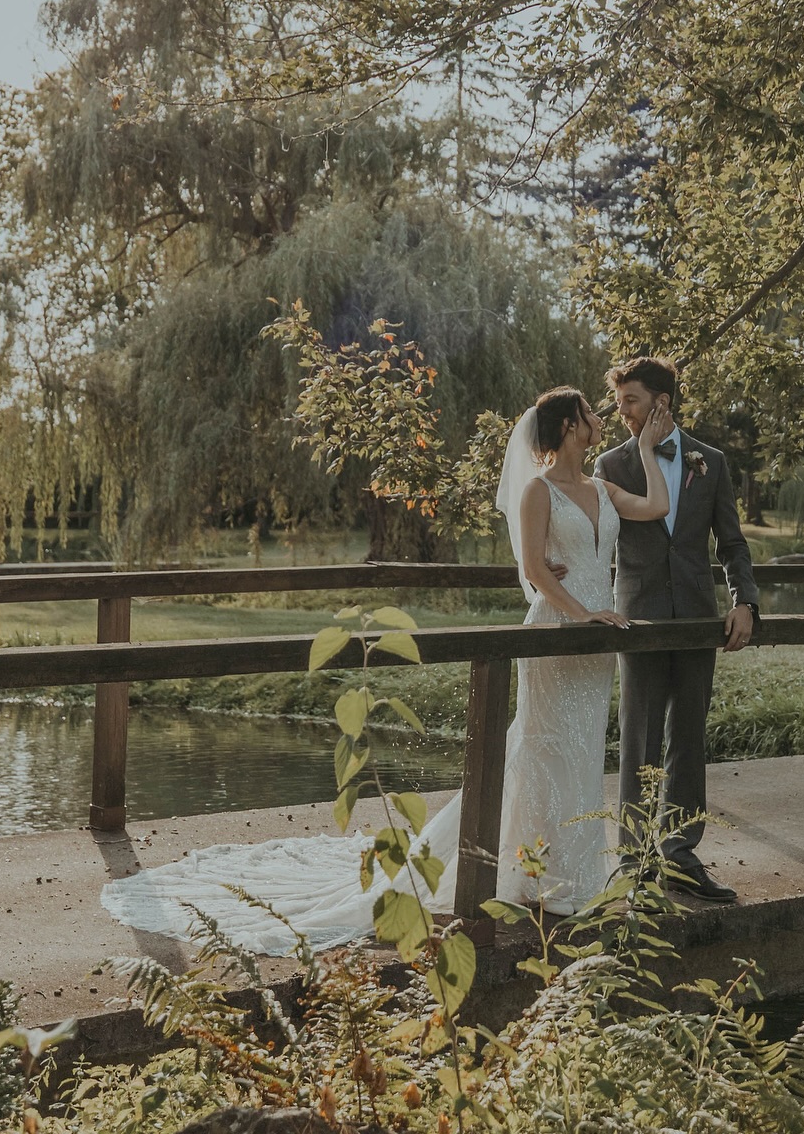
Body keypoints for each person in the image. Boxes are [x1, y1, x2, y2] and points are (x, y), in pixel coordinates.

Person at [99, 385, 673, 950]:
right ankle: (532, 875)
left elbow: (658, 506)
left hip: (597, 643)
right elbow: (534, 570)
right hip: (559, 629)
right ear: (569, 427)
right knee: (542, 745)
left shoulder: (603, 487)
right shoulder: (538, 492)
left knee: (581, 749)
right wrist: (584, 615)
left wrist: (646, 450)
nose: (599, 418)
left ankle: (571, 877)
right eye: (589, 413)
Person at [595, 355, 761, 904]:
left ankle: (682, 855)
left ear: (661, 402)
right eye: (619, 403)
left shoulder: (710, 462)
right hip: (636, 615)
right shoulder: (609, 465)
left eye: (631, 401)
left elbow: (732, 544)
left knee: (688, 736)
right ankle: (634, 858)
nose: (622, 412)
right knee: (637, 734)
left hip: (696, 616)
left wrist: (746, 604)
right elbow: (592, 537)